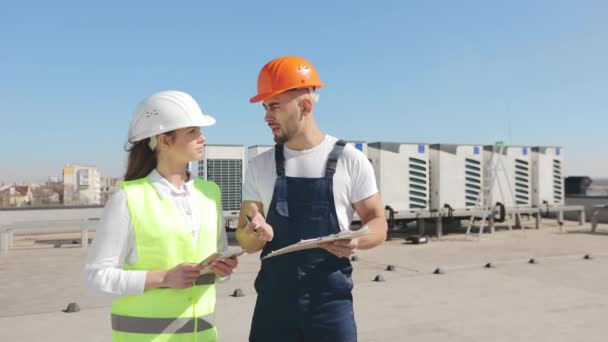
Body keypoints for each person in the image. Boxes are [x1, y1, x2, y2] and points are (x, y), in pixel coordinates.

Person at [237, 56, 388, 342]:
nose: (266, 117)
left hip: (330, 307)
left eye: (274, 106)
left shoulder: (350, 161)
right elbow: (245, 239)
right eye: (265, 107)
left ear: (305, 106)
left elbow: (378, 223)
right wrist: (255, 233)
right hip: (273, 308)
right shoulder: (259, 166)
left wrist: (356, 241)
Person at [82, 90, 237, 342]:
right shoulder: (129, 197)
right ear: (164, 140)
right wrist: (163, 278)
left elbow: (216, 261)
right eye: (192, 132)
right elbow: (95, 278)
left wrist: (223, 269)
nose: (202, 137)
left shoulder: (210, 193)